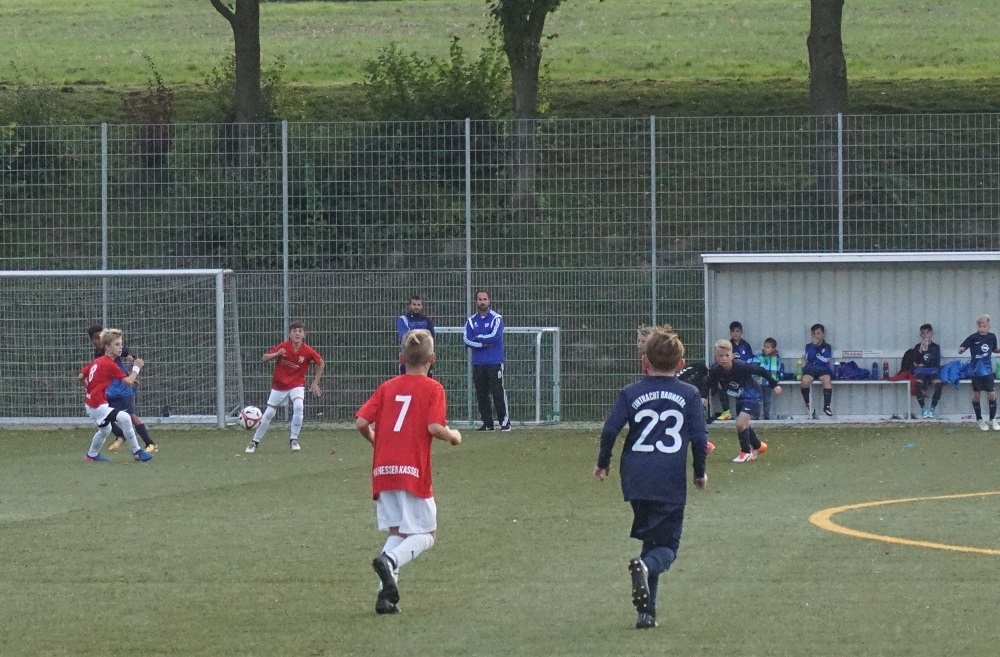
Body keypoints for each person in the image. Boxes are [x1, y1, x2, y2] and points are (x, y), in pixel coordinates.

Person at [593, 325, 707, 630]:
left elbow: (610, 429)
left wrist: (603, 463)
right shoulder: (689, 393)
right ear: (681, 364)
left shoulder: (631, 392)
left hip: (635, 478)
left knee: (651, 541)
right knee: (667, 548)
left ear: (646, 361)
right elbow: (699, 438)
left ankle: (647, 614)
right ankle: (646, 566)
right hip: (668, 479)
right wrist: (699, 473)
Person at [355, 329, 462, 615]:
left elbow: (361, 421)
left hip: (383, 469)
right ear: (432, 359)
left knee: (398, 532)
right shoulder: (433, 388)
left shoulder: (388, 387)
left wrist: (375, 440)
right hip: (412, 470)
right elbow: (434, 427)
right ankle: (389, 561)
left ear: (402, 358)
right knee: (427, 534)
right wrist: (453, 436)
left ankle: (385, 598)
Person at [245, 321, 325, 453]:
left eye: (300, 331)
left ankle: (294, 439)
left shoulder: (307, 351)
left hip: (297, 384)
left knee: (299, 406)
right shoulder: (283, 346)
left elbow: (321, 363)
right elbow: (264, 358)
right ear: (290, 334)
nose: (297, 333)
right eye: (294, 331)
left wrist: (315, 382)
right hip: (279, 385)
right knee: (269, 414)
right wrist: (276, 354)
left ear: (304, 335)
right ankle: (254, 441)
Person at [79, 329, 154, 463]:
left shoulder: (98, 360)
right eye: (117, 344)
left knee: (105, 430)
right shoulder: (109, 364)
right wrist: (136, 368)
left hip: (93, 402)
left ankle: (91, 455)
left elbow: (80, 377)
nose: (120, 348)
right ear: (108, 347)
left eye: (121, 344)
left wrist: (89, 390)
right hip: (96, 405)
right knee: (125, 417)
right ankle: (137, 452)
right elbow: (128, 382)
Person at [702, 340, 782, 462]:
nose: (724, 358)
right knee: (744, 425)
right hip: (740, 397)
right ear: (716, 357)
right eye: (720, 356)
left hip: (753, 395)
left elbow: (761, 371)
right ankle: (758, 446)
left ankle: (745, 452)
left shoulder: (741, 366)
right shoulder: (716, 370)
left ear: (732, 355)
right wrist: (703, 396)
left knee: (740, 424)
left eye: (727, 355)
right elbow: (708, 382)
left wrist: (774, 384)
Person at [463, 290, 510, 432]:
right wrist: (482, 344)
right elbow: (466, 340)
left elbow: (495, 336)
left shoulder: (496, 318)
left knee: (497, 392)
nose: (482, 302)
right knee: (481, 393)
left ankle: (504, 423)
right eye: (480, 299)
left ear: (489, 301)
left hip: (494, 362)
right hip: (478, 363)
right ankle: (488, 424)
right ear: (476, 301)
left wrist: (478, 338)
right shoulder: (471, 321)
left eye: (485, 299)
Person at [957, 314, 1000, 431]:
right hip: (975, 371)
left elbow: (994, 349)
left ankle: (992, 419)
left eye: (984, 326)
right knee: (977, 396)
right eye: (980, 326)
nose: (981, 328)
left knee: (992, 395)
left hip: (987, 371)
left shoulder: (992, 337)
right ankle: (980, 419)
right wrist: (961, 349)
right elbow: (963, 346)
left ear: (988, 326)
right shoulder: (973, 337)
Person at [799, 323, 834, 417]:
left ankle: (827, 406)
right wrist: (814, 347)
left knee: (827, 380)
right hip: (810, 369)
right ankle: (808, 405)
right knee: (804, 382)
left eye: (818, 333)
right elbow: (809, 358)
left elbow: (825, 359)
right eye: (813, 334)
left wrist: (816, 357)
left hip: (823, 369)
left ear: (823, 334)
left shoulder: (827, 346)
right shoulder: (809, 346)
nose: (816, 336)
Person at [396, 295, 435, 376]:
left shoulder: (427, 320)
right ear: (409, 306)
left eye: (418, 305)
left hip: (424, 358)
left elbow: (431, 337)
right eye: (414, 304)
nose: (416, 307)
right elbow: (404, 336)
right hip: (408, 356)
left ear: (422, 306)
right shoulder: (403, 319)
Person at [913, 323, 944, 419]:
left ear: (931, 334)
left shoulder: (935, 347)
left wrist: (925, 363)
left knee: (939, 384)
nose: (925, 335)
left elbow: (936, 362)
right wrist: (921, 349)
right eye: (923, 333)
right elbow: (915, 361)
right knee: (917, 384)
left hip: (932, 370)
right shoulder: (917, 346)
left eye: (927, 333)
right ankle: (923, 409)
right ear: (921, 335)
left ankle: (932, 409)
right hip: (921, 371)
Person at [755, 337, 784, 420]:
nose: (765, 349)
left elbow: (778, 369)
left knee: (767, 400)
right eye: (765, 346)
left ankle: (766, 416)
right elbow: (755, 368)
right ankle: (756, 416)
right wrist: (755, 378)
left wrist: (777, 379)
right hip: (760, 382)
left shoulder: (776, 358)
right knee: (757, 399)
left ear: (773, 348)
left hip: (769, 383)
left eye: (768, 347)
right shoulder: (759, 357)